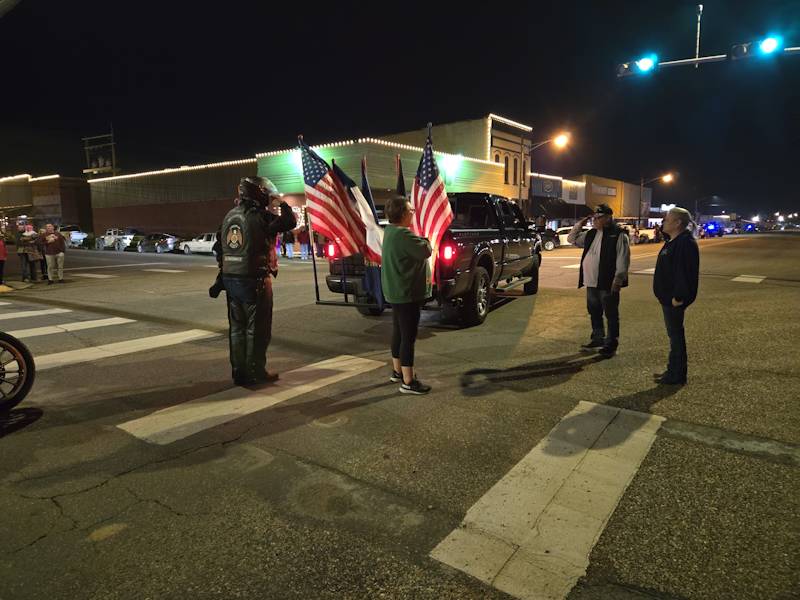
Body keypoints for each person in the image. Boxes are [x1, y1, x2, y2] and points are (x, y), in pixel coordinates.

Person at [216, 176, 296, 386]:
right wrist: (283, 203)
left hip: (232, 280)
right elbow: (290, 222)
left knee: (236, 328)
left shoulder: (229, 216)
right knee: (257, 329)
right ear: (259, 193)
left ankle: (239, 371)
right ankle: (256, 371)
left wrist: (221, 277)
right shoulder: (261, 217)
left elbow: (219, 248)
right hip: (255, 279)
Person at [381, 196, 432, 394]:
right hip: (407, 293)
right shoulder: (403, 234)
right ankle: (409, 382)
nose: (413, 213)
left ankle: (397, 372)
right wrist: (426, 240)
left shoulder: (390, 232)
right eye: (411, 210)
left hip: (396, 291)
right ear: (402, 214)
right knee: (408, 337)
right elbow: (425, 250)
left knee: (399, 332)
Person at [568, 203, 630, 358]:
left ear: (609, 218)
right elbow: (571, 239)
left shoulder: (618, 235)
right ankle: (598, 337)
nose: (595, 220)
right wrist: (579, 224)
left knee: (611, 313)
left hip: (607, 282)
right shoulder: (591, 234)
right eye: (594, 218)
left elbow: (623, 259)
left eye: (599, 217)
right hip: (591, 282)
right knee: (594, 311)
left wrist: (618, 280)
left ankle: (611, 343)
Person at [653, 207, 699, 385]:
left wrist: (678, 296)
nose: (663, 221)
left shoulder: (685, 243)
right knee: (673, 336)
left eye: (667, 219)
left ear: (678, 223)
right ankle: (673, 370)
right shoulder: (674, 240)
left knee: (676, 336)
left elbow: (684, 272)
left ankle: (677, 374)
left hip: (674, 299)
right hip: (667, 297)